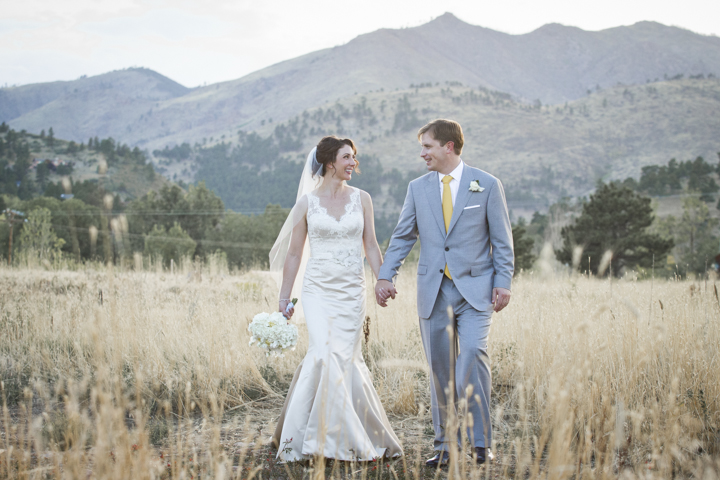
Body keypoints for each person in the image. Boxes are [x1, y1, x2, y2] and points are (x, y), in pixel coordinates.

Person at [375, 119, 514, 466]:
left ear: (448, 146)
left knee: (472, 356)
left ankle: (481, 444)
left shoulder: (487, 184)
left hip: (476, 292)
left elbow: (502, 241)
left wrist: (504, 281)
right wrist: (385, 275)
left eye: (427, 146)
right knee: (440, 370)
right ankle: (446, 447)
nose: (422, 154)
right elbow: (404, 235)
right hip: (433, 291)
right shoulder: (417, 188)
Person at [269, 136, 403, 462]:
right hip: (317, 291)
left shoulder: (363, 199)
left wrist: (381, 278)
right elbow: (294, 254)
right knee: (324, 354)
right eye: (347, 157)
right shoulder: (306, 204)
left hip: (351, 293)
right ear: (330, 162)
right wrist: (284, 299)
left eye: (353, 157)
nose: (353, 163)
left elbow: (370, 244)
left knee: (344, 359)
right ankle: (320, 442)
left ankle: (339, 436)